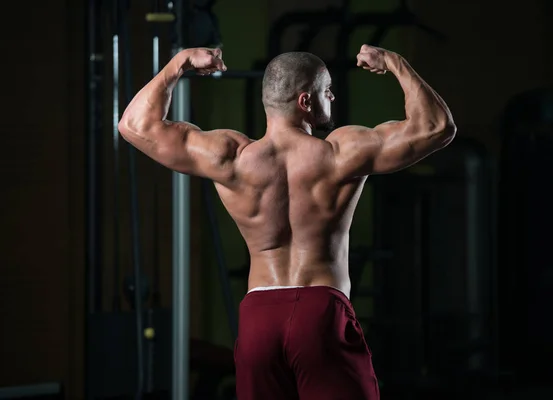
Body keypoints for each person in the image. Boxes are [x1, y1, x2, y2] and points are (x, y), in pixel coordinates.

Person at [119, 44, 456, 400]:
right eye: (327, 91)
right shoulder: (341, 153)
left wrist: (180, 63)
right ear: (305, 101)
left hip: (258, 318)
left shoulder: (230, 158)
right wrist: (395, 64)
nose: (333, 97)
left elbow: (135, 126)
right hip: (320, 311)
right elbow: (436, 127)